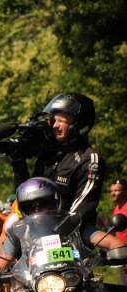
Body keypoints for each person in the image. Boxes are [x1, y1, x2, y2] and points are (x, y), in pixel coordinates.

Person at [9, 93, 107, 247]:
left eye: (62, 120)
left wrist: (58, 232)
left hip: (75, 229)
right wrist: (18, 162)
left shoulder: (89, 159)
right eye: (54, 120)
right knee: (8, 230)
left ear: (78, 125)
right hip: (38, 226)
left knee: (115, 245)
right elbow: (26, 193)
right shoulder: (49, 154)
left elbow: (85, 204)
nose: (55, 125)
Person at [111, 180, 127, 246]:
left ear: (125, 192)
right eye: (111, 191)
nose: (113, 193)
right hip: (120, 247)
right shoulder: (116, 208)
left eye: (116, 190)